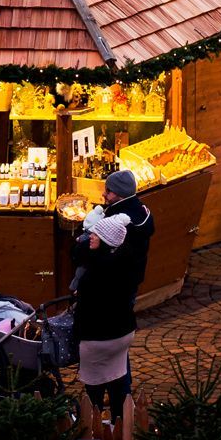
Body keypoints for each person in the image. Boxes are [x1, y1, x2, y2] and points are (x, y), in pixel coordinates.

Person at [75, 168, 153, 421]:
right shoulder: (141, 215)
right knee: (119, 363)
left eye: (107, 191)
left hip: (97, 331)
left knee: (98, 381)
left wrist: (87, 243)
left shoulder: (98, 270)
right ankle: (122, 412)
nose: (104, 195)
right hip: (123, 318)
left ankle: (101, 416)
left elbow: (85, 305)